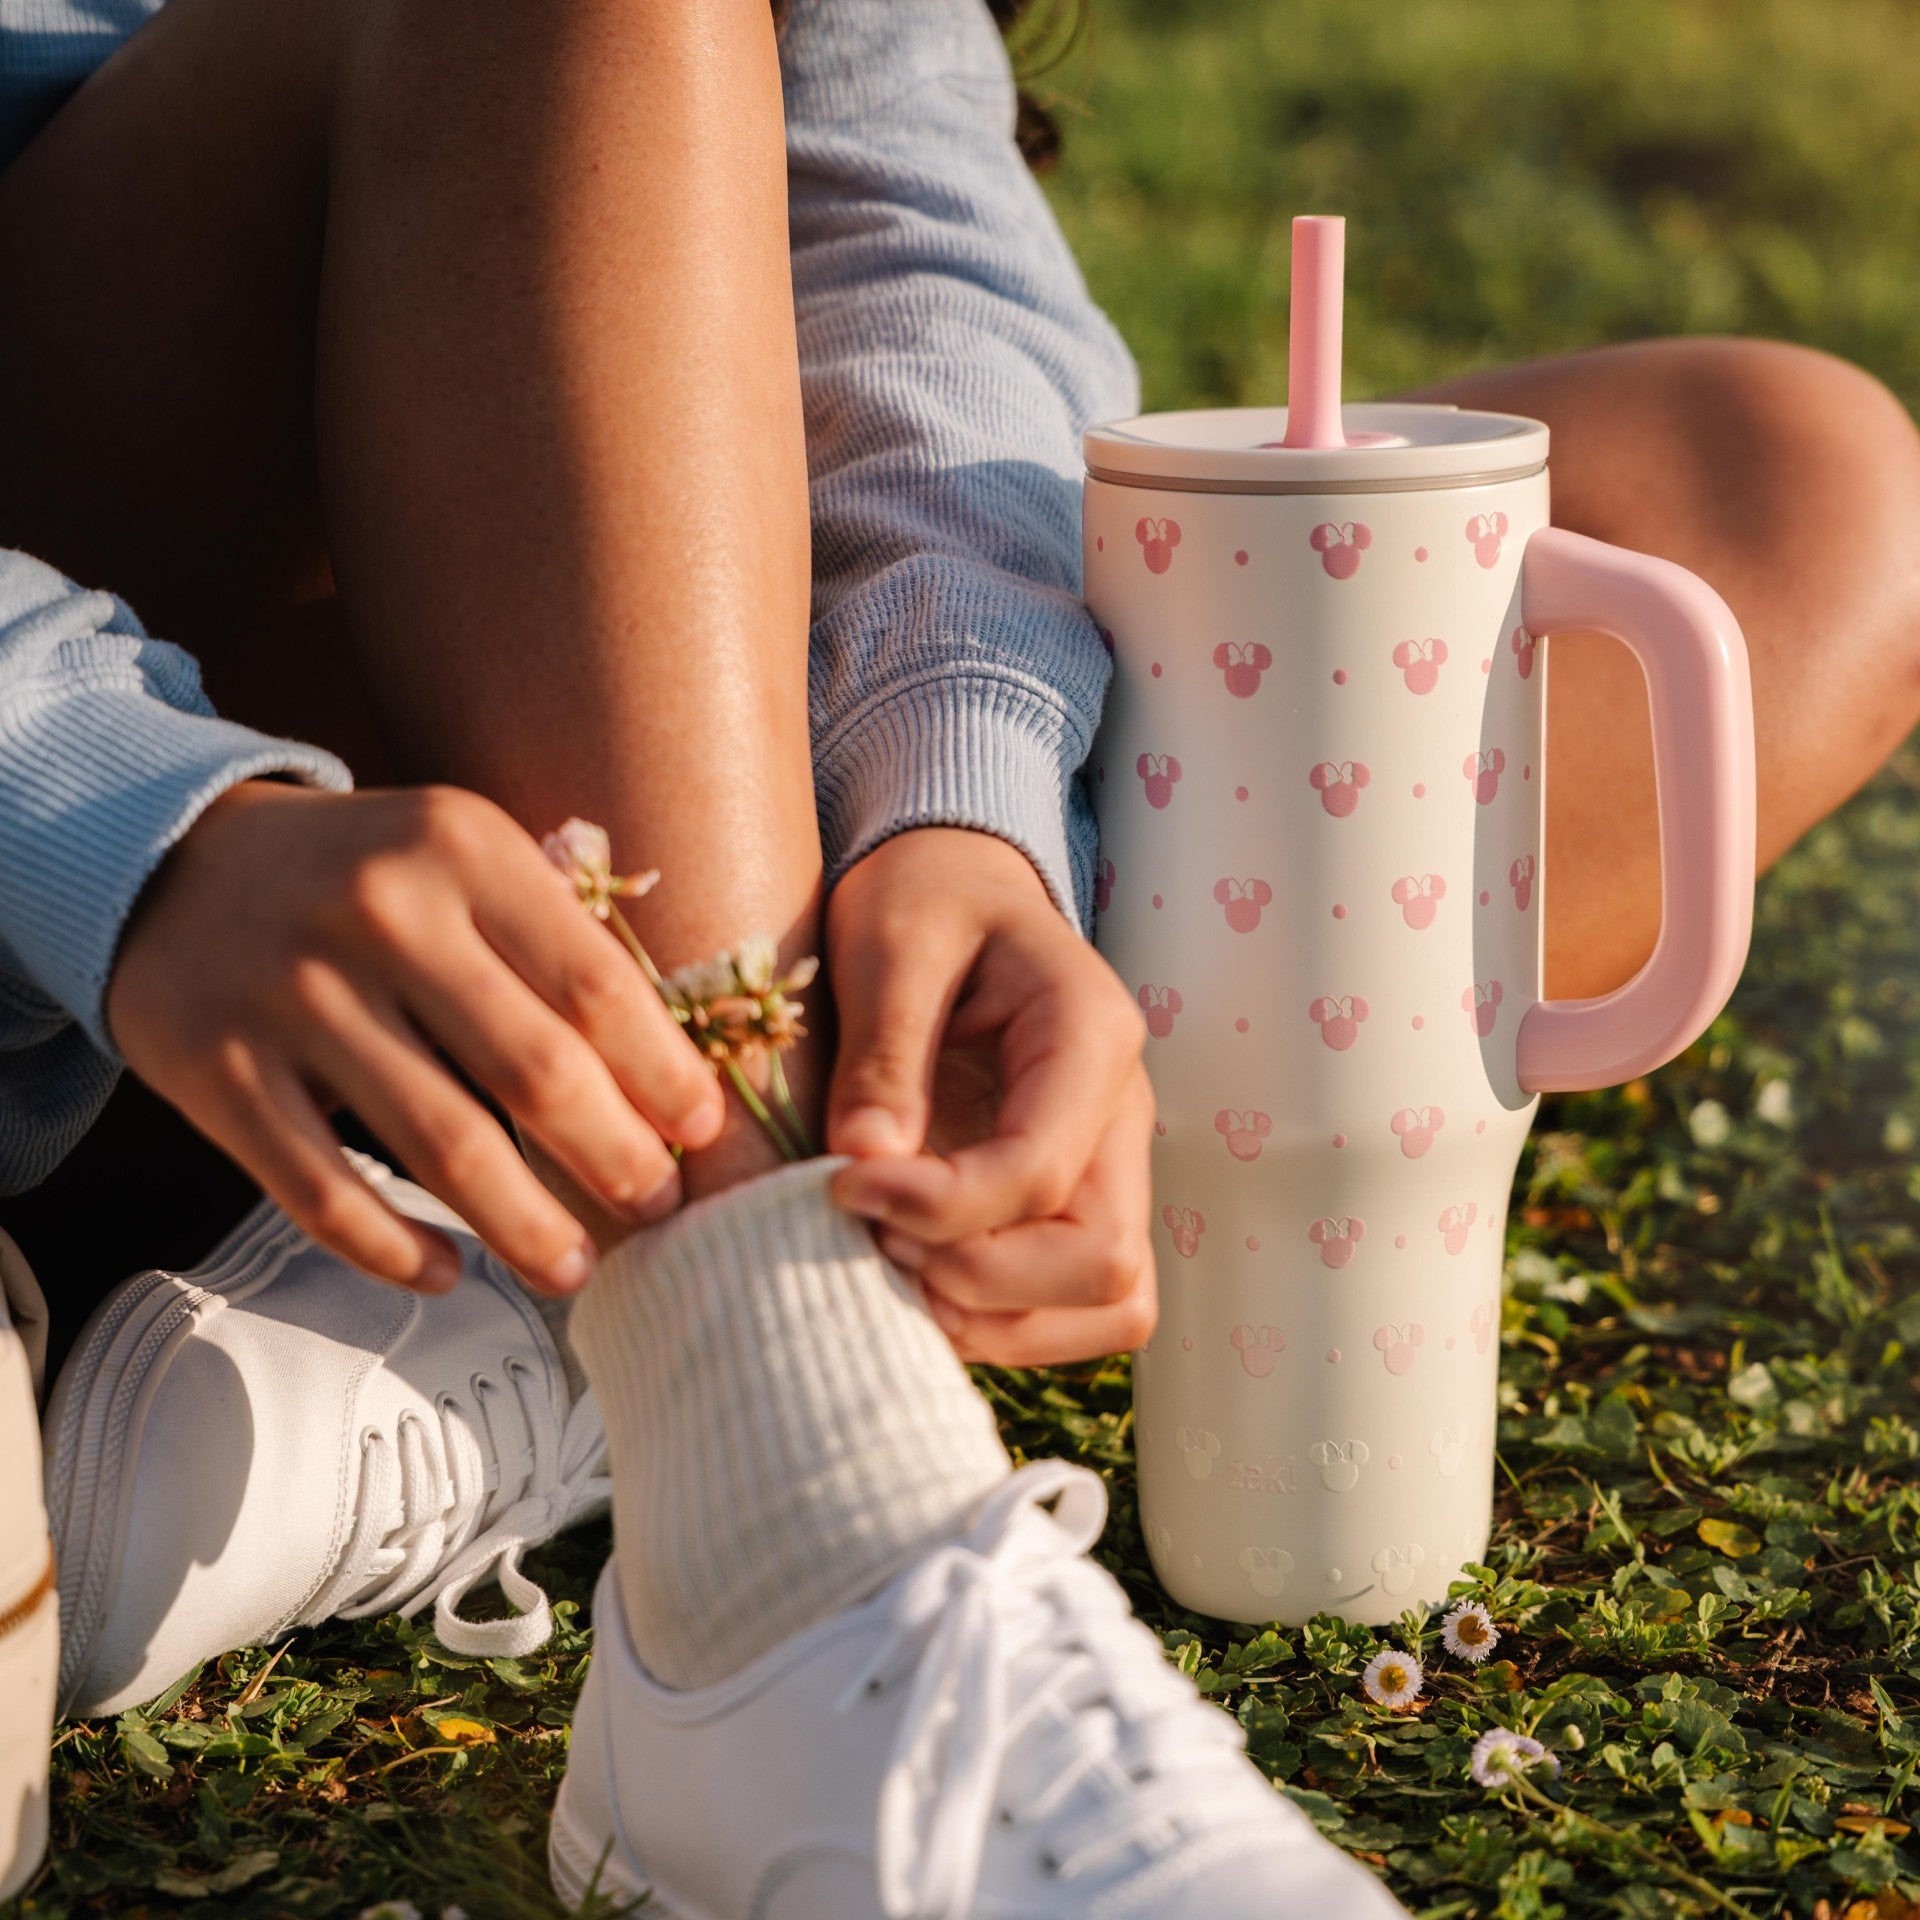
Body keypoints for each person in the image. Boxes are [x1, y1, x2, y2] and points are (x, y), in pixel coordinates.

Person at [1, 0, 1918, 1910]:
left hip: (611, 762)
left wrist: (962, 804)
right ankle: (773, 1525)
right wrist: (131, 826)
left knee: (1792, 499)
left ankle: (614, 1283)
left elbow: (899, 209)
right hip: (107, 838)